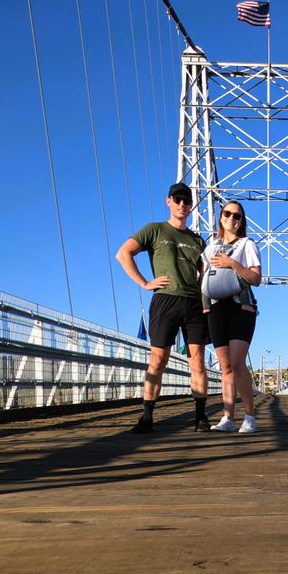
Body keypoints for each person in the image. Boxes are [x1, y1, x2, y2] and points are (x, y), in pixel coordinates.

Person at [116, 182, 209, 434]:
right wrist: (145, 282)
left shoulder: (198, 240)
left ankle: (201, 418)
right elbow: (123, 253)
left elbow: (207, 274)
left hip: (194, 303)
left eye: (186, 201)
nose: (182, 204)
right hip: (165, 300)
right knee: (158, 360)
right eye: (177, 199)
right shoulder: (154, 230)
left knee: (198, 361)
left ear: (191, 205)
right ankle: (147, 417)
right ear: (168, 201)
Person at [202, 201, 261, 434]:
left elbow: (256, 278)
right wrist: (205, 305)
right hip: (216, 310)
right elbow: (203, 277)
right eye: (227, 214)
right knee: (225, 366)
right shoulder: (210, 247)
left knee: (237, 363)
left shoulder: (247, 244)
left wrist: (232, 263)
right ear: (221, 217)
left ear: (241, 221)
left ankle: (249, 417)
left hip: (241, 308)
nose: (232, 219)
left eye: (237, 216)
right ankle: (227, 418)